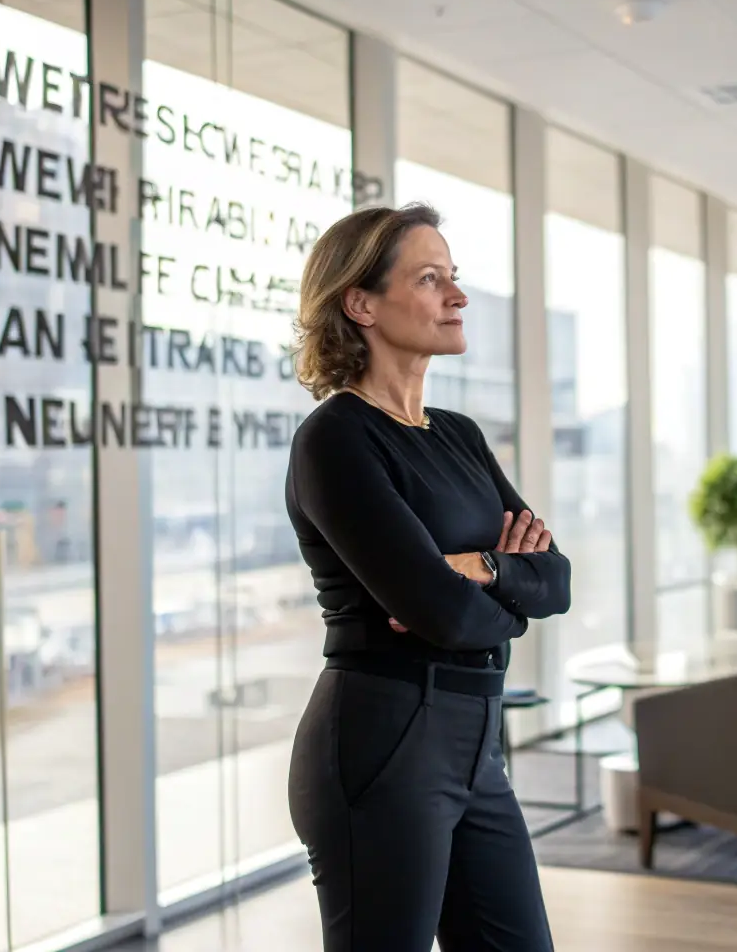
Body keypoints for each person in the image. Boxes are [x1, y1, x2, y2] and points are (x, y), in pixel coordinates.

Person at [284, 202, 569, 951]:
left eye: (453, 276)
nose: (457, 296)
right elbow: (447, 615)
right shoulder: (335, 438)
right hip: (386, 743)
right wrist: (501, 588)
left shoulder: (459, 435)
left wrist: (476, 568)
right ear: (361, 304)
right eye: (429, 279)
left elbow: (557, 580)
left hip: (478, 745)